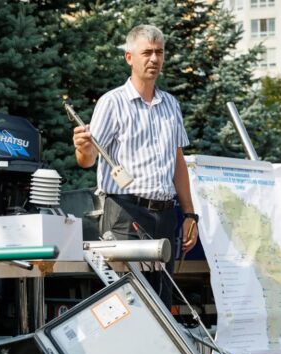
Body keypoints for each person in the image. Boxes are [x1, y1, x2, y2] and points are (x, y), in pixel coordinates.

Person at [72, 24, 198, 307]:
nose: (154, 59)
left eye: (159, 53)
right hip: (124, 214)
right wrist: (82, 148)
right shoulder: (112, 103)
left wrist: (191, 215)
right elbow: (88, 160)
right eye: (147, 53)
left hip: (165, 216)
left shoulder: (171, 105)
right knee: (130, 304)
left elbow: (178, 162)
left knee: (162, 305)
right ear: (130, 57)